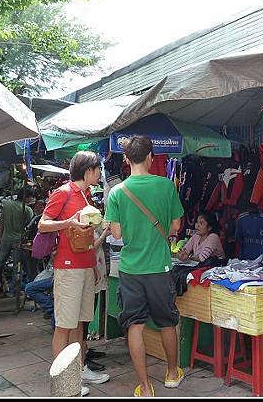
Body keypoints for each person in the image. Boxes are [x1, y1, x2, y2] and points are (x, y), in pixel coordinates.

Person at [105, 135, 185, 397]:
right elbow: (175, 227)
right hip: (160, 267)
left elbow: (116, 233)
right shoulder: (166, 186)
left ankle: (146, 387)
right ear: (151, 156)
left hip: (130, 269)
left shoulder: (117, 192)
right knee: (166, 322)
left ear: (126, 160)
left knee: (135, 326)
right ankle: (172, 373)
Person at [38, 151, 109, 395]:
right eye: (98, 169)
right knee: (64, 326)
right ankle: (61, 378)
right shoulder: (63, 193)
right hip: (68, 268)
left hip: (85, 266)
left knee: (80, 323)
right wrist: (68, 222)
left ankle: (78, 370)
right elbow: (43, 223)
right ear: (88, 171)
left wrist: (93, 266)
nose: (100, 174)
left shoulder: (86, 195)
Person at [0, 188, 34, 296]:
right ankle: (14, 290)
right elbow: (31, 225)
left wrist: (0, 237)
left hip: (5, 238)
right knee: (17, 266)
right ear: (27, 197)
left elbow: (2, 222)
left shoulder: (7, 205)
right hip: (18, 240)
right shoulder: (27, 209)